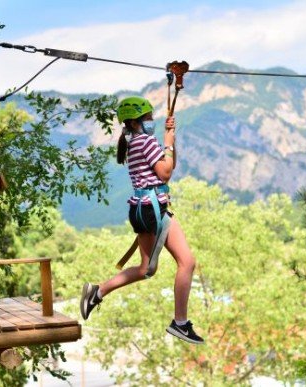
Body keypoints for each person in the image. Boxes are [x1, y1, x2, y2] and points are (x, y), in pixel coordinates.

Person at [80, 96, 204, 345]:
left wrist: (171, 143)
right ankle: (180, 323)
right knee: (186, 262)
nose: (151, 122)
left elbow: (167, 167)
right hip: (154, 208)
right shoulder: (145, 141)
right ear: (136, 121)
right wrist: (167, 143)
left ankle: (98, 291)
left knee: (147, 268)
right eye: (148, 118)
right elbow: (165, 173)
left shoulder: (135, 141)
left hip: (144, 208)